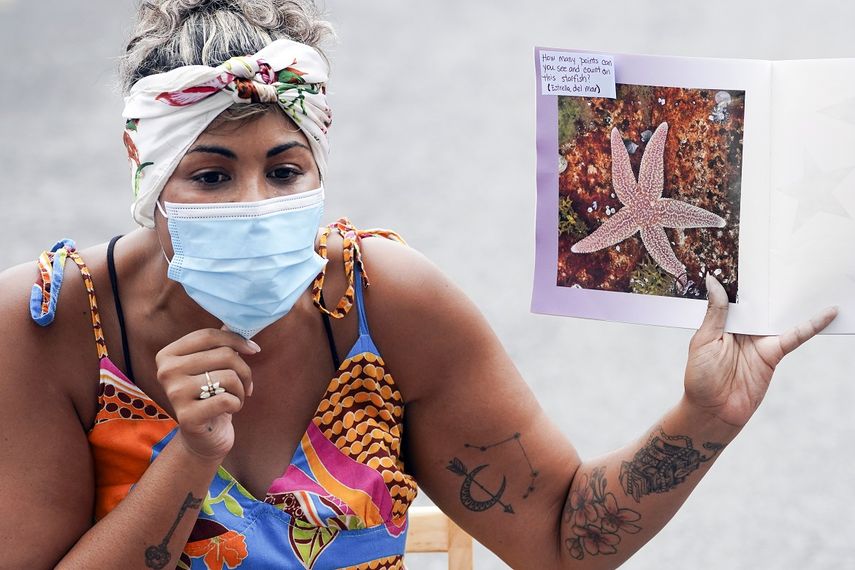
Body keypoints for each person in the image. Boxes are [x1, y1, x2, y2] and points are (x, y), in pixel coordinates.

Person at [0, 1, 837, 568]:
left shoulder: (386, 304)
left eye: (284, 170)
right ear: (142, 167)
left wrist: (705, 418)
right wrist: (191, 453)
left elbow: (558, 538)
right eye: (211, 177)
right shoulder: (48, 325)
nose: (255, 204)